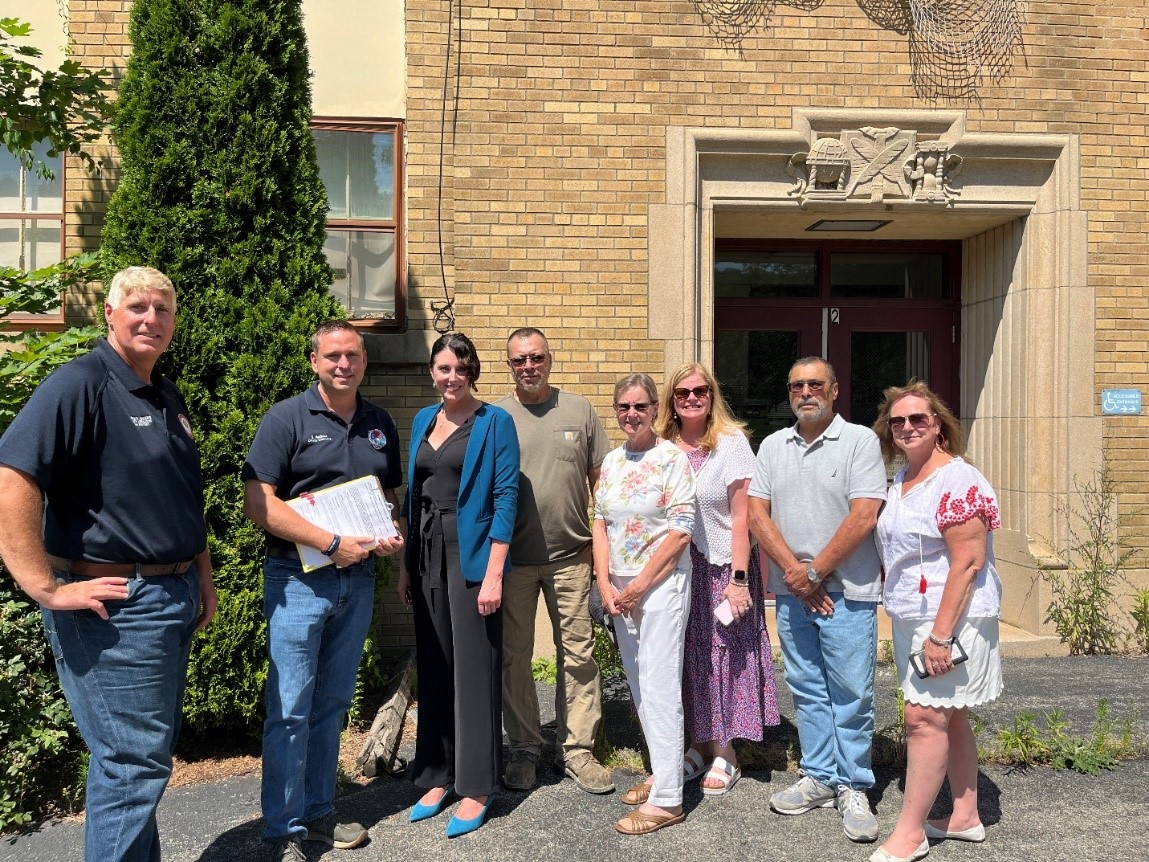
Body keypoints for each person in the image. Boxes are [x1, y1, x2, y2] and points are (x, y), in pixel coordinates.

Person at [0, 266, 216, 862]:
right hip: (116, 606)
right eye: (138, 307)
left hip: (168, 597)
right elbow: (13, 478)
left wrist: (200, 573)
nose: (151, 318)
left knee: (138, 763)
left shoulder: (163, 394)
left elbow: (178, 494)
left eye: (163, 309)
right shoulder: (81, 383)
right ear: (110, 315)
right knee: (132, 765)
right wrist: (43, 585)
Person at [243, 320, 405, 861]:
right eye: (332, 356)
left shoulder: (379, 422)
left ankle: (317, 814)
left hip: (357, 581)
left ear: (364, 363)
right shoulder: (286, 418)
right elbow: (259, 503)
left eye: (353, 356)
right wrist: (330, 542)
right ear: (314, 361)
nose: (343, 364)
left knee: (332, 703)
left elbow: (389, 497)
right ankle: (282, 831)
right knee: (289, 707)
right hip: (297, 581)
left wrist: (390, 532)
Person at [747, 356, 886, 844]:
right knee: (807, 687)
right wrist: (797, 576)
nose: (805, 393)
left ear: (834, 391)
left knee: (851, 692)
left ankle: (853, 785)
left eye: (815, 385)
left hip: (847, 591)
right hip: (792, 592)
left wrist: (814, 572)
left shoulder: (860, 442)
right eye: (796, 386)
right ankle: (820, 775)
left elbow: (864, 514)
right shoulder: (772, 446)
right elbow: (757, 516)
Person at [868, 382, 1003, 862]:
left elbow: (967, 563)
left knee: (923, 719)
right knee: (953, 714)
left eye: (918, 419)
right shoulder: (902, 477)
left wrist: (941, 636)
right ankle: (965, 817)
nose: (906, 427)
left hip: (950, 619)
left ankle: (909, 833)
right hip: (915, 616)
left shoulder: (958, 480)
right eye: (897, 421)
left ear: (939, 425)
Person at [398, 332, 519, 838]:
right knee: (436, 663)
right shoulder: (424, 419)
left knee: (473, 670)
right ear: (432, 370)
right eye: (444, 368)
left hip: (470, 556)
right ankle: (438, 772)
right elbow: (414, 493)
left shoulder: (495, 422)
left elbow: (506, 497)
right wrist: (406, 564)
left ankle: (476, 785)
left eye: (462, 369)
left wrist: (493, 573)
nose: (453, 377)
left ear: (473, 372)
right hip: (425, 552)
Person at [497, 328, 615, 794]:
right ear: (510, 365)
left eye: (537, 357)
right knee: (514, 657)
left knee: (578, 655)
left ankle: (578, 750)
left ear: (550, 359)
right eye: (520, 360)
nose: (529, 366)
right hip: (515, 563)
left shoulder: (579, 410)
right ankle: (524, 747)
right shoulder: (496, 416)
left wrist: (603, 551)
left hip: (572, 557)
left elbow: (601, 484)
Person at [654, 362, 780, 796]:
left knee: (724, 655)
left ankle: (726, 751)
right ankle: (698, 743)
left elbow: (743, 515)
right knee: (687, 654)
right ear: (672, 400)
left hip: (725, 567)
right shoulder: (662, 446)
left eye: (700, 391)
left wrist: (741, 579)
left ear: (712, 397)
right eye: (682, 392)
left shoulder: (731, 444)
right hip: (677, 569)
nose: (691, 398)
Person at [593, 373, 696, 836]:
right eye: (623, 407)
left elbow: (680, 532)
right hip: (619, 588)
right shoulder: (613, 461)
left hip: (661, 586)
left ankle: (670, 799)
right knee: (639, 686)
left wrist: (638, 587)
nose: (631, 414)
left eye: (640, 406)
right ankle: (663, 772)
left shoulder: (671, 459)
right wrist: (605, 582)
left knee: (659, 686)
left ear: (656, 409)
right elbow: (600, 523)